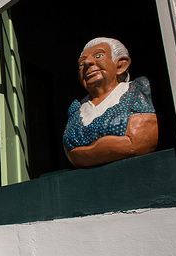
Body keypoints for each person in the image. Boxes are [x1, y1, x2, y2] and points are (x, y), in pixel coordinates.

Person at [63, 37, 158, 167]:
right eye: (81, 63)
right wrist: (108, 144)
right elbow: (71, 154)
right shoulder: (76, 107)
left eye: (98, 56)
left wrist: (84, 153)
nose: (88, 63)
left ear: (120, 64)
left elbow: (140, 143)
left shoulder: (135, 90)